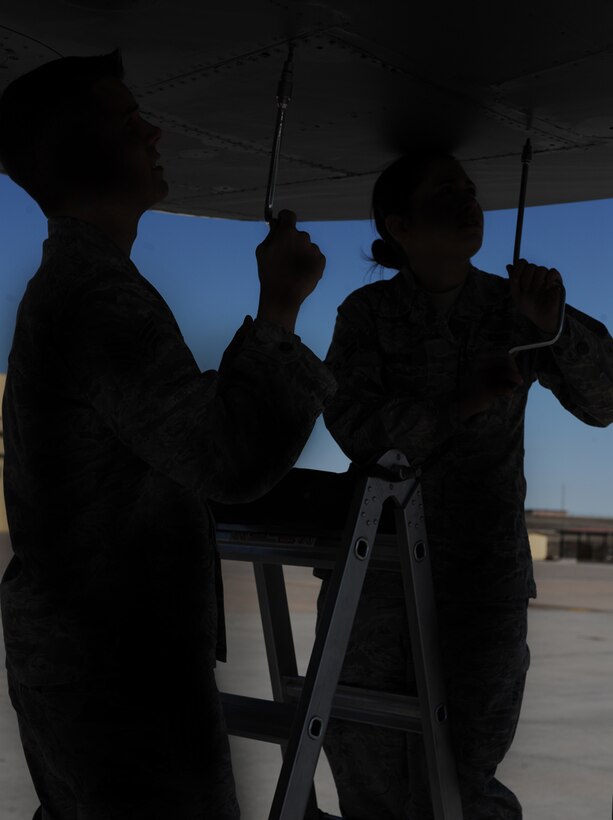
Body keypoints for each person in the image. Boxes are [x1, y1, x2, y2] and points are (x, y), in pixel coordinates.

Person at [0, 51, 336, 819]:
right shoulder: (98, 300)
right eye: (128, 124)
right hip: (117, 673)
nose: (154, 130)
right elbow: (226, 457)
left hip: (94, 664)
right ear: (78, 151)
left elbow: (170, 428)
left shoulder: (78, 287)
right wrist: (278, 308)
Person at [317, 149, 613, 819]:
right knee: (367, 753)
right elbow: (355, 425)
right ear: (399, 224)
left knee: (466, 765)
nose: (468, 202)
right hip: (381, 571)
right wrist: (460, 402)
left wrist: (552, 327)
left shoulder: (514, 310)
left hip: (482, 572)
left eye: (470, 189)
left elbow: (604, 401)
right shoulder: (366, 315)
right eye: (445, 191)